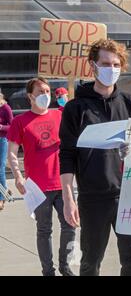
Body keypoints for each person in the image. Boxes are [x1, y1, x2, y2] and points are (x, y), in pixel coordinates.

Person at [59, 39, 131, 276]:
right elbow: (66, 155)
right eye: (106, 63)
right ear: (93, 66)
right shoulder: (75, 108)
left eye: (116, 64)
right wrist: (68, 198)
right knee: (91, 261)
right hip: (93, 198)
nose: (112, 68)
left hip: (129, 196)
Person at [7, 77, 76, 276]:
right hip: (37, 187)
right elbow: (12, 152)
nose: (46, 95)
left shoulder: (60, 116)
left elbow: (72, 143)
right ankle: (48, 271)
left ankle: (65, 266)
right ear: (30, 96)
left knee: (70, 226)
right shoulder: (20, 121)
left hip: (63, 184)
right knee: (44, 230)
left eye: (47, 91)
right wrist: (18, 177)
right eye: (41, 92)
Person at [0, 93, 13, 211]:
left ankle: (1, 198)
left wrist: (1, 127)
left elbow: (12, 126)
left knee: (0, 169)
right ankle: (4, 191)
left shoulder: (5, 108)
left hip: (2, 140)